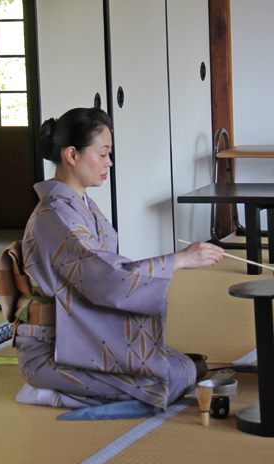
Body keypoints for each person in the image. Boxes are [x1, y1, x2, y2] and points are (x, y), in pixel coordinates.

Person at [13, 107, 223, 411]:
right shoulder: (55, 214)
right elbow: (106, 276)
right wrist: (178, 260)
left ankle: (73, 385)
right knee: (168, 379)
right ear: (72, 155)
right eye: (102, 153)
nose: (108, 162)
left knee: (185, 367)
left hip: (80, 333)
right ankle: (50, 392)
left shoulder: (77, 203)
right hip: (53, 349)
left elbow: (103, 272)